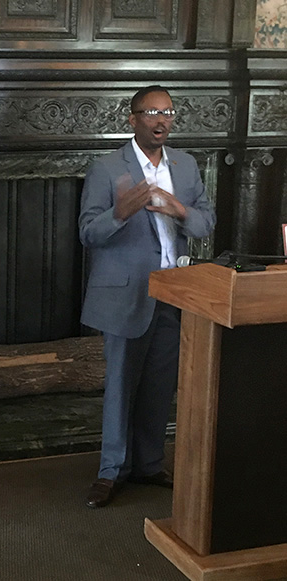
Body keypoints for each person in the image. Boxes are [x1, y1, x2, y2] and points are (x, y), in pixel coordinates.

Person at [78, 86, 216, 508]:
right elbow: (88, 233)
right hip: (127, 293)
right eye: (152, 112)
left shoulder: (185, 165)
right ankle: (111, 472)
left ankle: (149, 464)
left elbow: (206, 223)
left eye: (168, 112)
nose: (161, 120)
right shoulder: (106, 168)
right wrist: (120, 213)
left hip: (175, 292)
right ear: (133, 118)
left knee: (159, 386)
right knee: (121, 388)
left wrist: (179, 210)